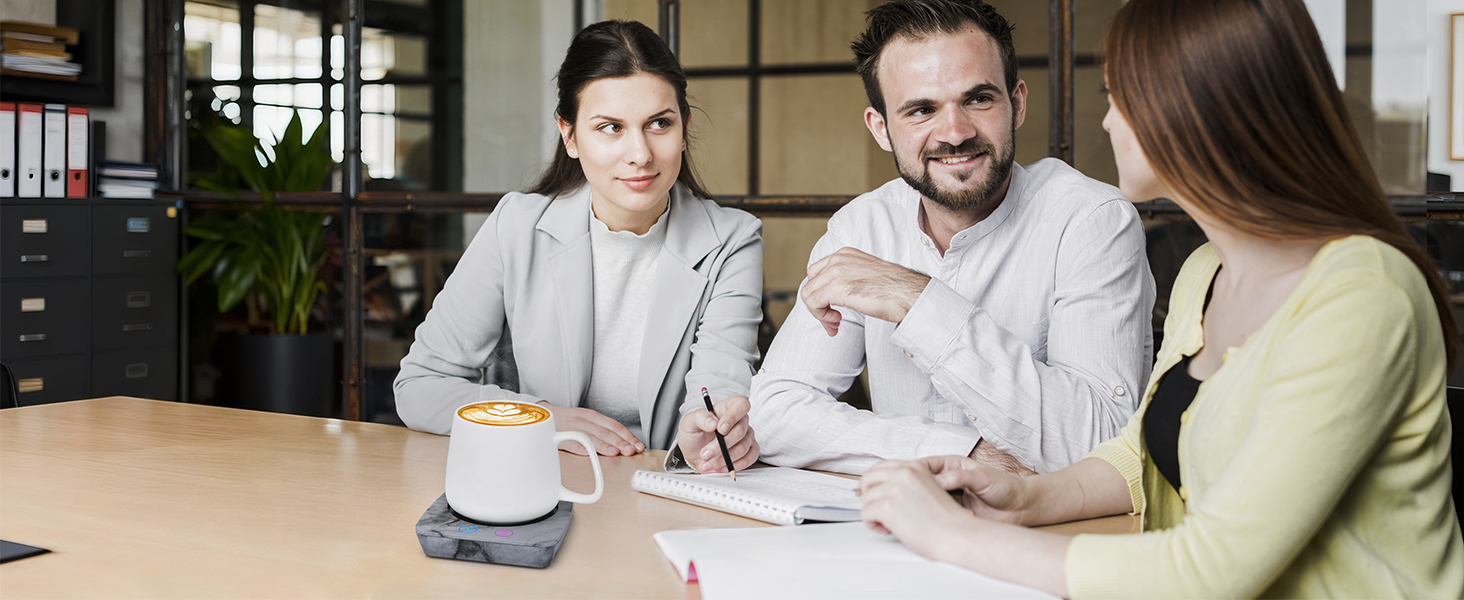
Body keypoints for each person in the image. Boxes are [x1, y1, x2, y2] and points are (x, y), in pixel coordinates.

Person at [857, 0, 1464, 597]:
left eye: (1118, 99)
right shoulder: (1206, 272)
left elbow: (1209, 571)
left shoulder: (1362, 295)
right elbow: (1142, 448)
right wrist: (1026, 499)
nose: (1107, 124)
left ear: (1192, 107)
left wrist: (948, 536)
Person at [693, 0, 1155, 477]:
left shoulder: (1091, 221)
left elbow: (1098, 443)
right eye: (920, 110)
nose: (954, 133)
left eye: (978, 99)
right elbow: (775, 413)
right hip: (894, 529)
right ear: (882, 129)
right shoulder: (862, 227)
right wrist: (961, 454)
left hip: (1048, 541)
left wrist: (914, 299)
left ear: (1016, 104)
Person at [395, 20, 763, 472]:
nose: (640, 154)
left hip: (664, 487)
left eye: (659, 124)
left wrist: (709, 433)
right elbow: (420, 386)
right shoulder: (517, 226)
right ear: (569, 136)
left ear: (683, 128)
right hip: (537, 481)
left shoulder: (732, 241)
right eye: (610, 127)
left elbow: (719, 383)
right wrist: (540, 420)